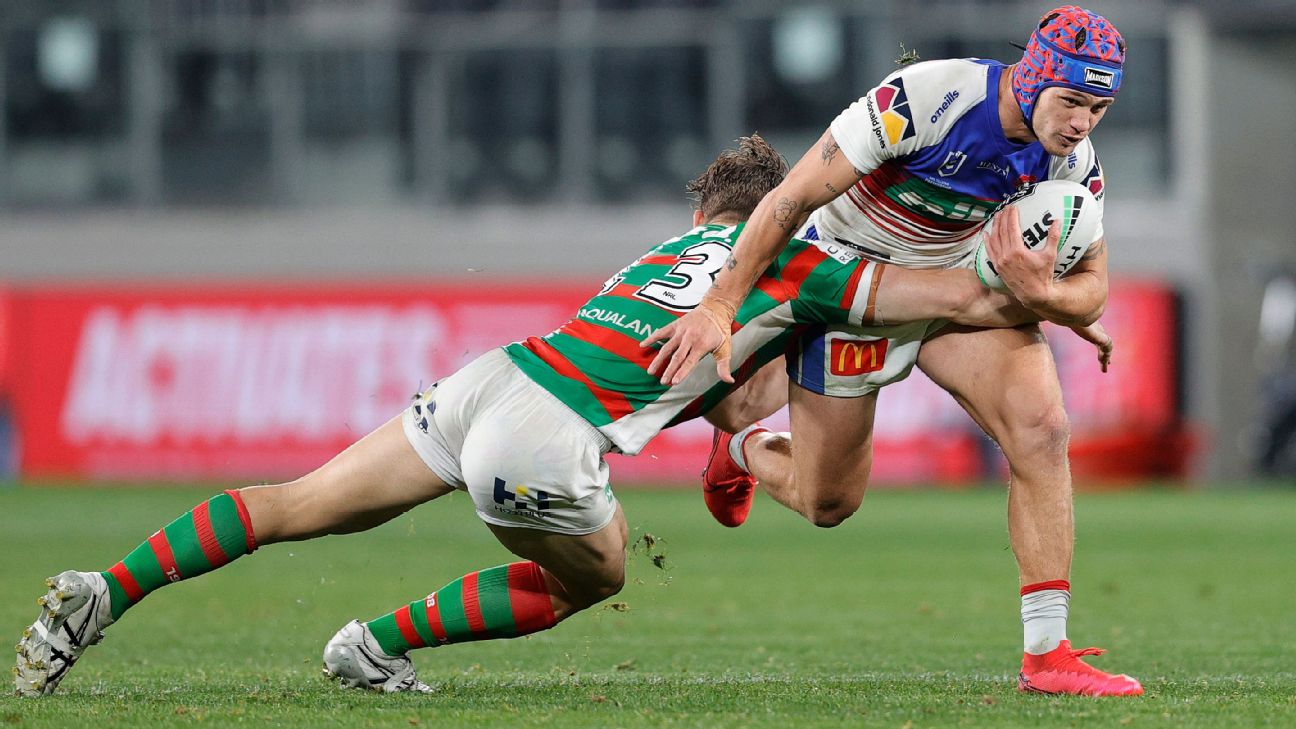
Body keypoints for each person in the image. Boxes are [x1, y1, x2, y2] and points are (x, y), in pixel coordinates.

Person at [14, 135, 1042, 698]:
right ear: (781, 216)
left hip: (488, 383)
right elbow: (952, 304)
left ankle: (101, 593)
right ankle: (370, 645)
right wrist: (1036, 288)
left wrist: (735, 424)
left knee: (296, 502)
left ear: (702, 221)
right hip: (544, 440)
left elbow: (697, 365)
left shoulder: (654, 258)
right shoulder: (803, 262)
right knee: (590, 578)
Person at [643, 6, 1141, 696]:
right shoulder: (927, 100)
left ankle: (1047, 654)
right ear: (1031, 77)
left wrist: (1045, 297)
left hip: (953, 296)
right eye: (1071, 100)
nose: (1083, 121)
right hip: (851, 289)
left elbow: (1093, 288)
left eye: (1099, 106)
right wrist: (723, 302)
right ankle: (744, 449)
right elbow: (789, 202)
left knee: (1043, 426)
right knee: (828, 502)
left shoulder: (1072, 163)